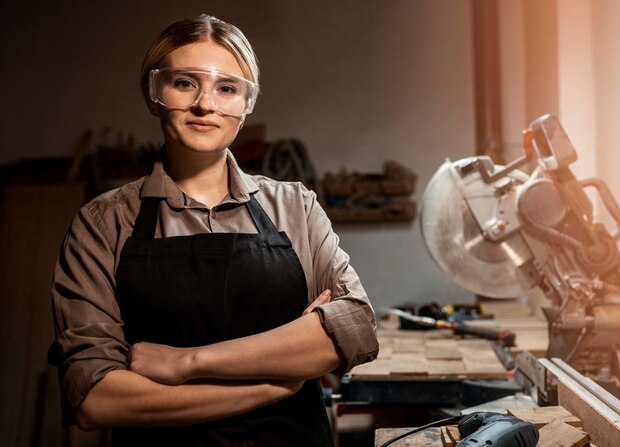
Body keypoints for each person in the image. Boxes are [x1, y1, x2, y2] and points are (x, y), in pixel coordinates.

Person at [49, 14, 379, 446]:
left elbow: (354, 328)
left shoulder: (294, 206)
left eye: (227, 88)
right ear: (153, 94)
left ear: (246, 104)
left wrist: (187, 363)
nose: (206, 104)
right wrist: (271, 383)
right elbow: (95, 399)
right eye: (185, 83)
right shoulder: (102, 223)